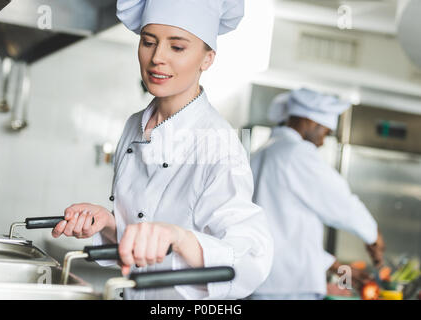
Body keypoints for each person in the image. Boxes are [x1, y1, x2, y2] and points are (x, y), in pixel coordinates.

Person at [51, 0, 273, 300]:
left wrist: (179, 238)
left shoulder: (217, 142)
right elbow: (142, 241)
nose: (157, 58)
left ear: (207, 59)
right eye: (148, 42)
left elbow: (250, 259)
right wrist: (107, 223)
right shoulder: (134, 126)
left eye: (177, 47)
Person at [248, 88, 385, 300]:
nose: (322, 141)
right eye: (325, 132)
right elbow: (341, 203)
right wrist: (372, 235)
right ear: (310, 122)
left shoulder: (261, 152)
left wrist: (332, 265)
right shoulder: (296, 153)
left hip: (260, 281)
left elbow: (281, 231)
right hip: (289, 288)